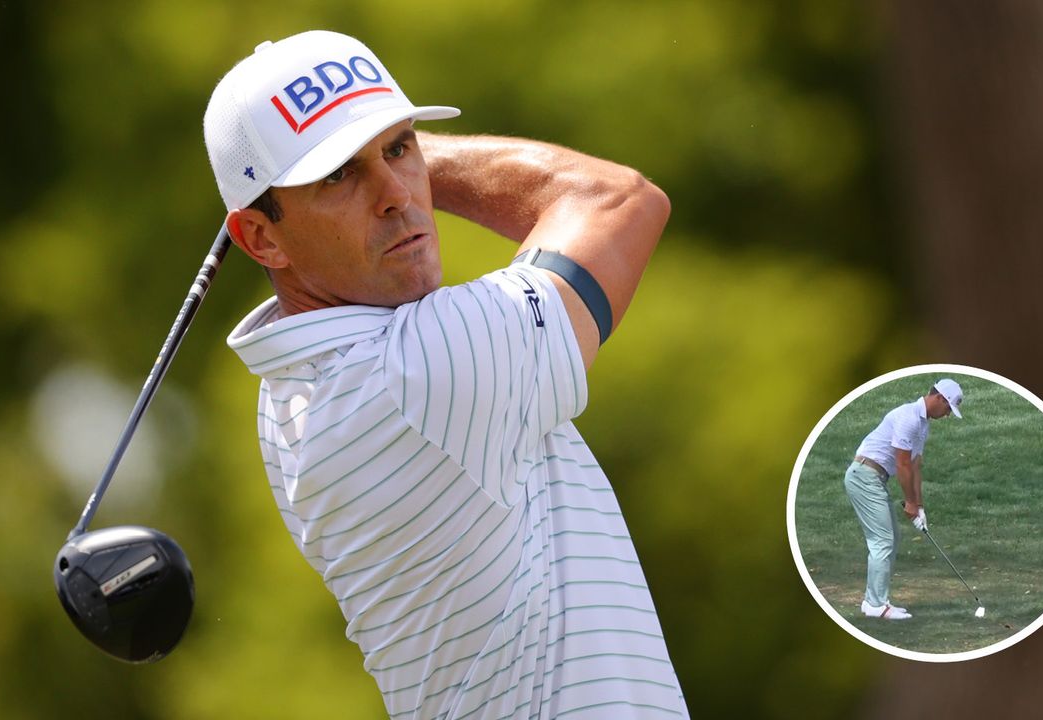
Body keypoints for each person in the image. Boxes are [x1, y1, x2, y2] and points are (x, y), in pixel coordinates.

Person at [203, 31, 688, 718]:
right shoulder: (417, 374)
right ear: (260, 238)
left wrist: (351, 144)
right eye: (339, 175)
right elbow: (617, 199)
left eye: (402, 148)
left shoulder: (289, 393)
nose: (396, 196)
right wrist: (400, 147)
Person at [844, 378, 964, 620]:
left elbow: (915, 466)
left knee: (891, 538)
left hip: (874, 478)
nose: (948, 414)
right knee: (883, 540)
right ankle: (877, 605)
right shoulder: (908, 417)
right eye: (949, 408)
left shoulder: (923, 426)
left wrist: (919, 506)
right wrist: (909, 503)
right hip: (864, 475)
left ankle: (873, 601)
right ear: (939, 398)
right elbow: (902, 464)